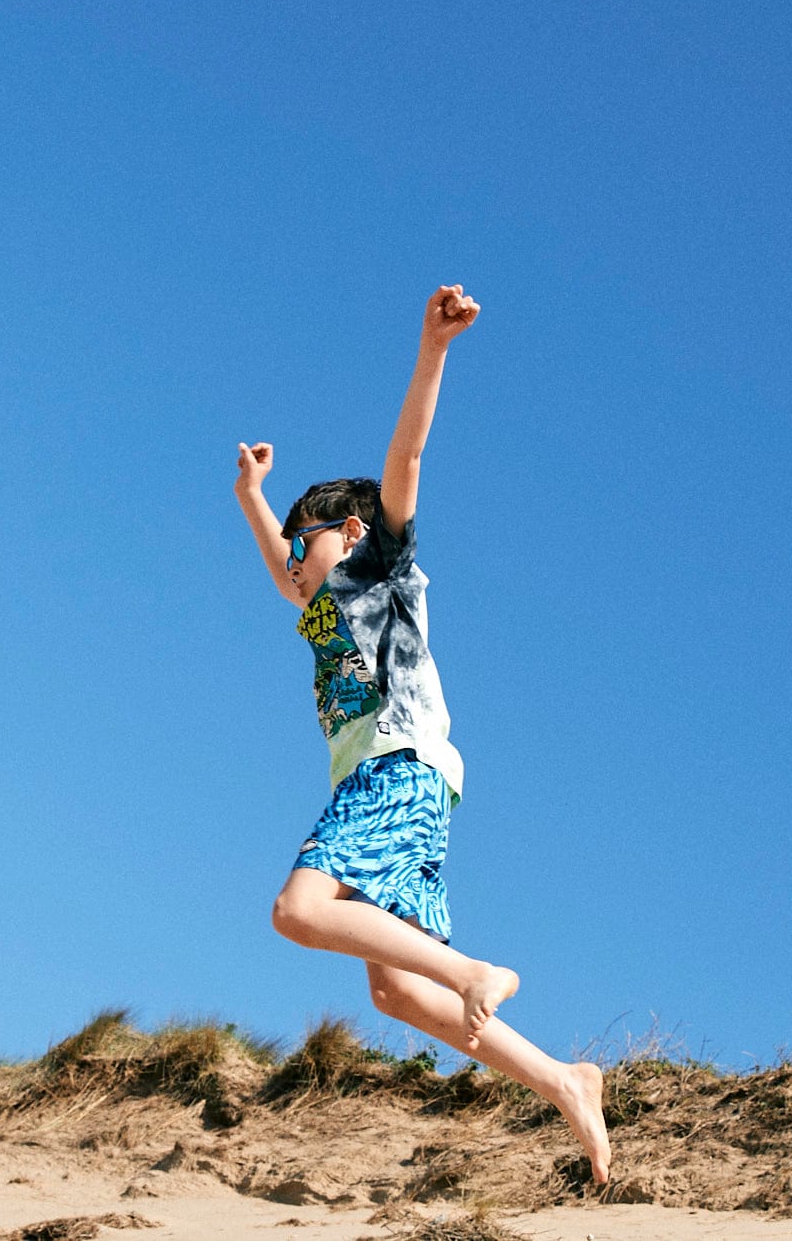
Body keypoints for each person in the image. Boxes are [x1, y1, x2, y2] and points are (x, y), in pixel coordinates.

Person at [233, 284, 611, 1185]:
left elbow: (404, 459)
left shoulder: (380, 565)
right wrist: (256, 497)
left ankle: (483, 968)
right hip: (406, 785)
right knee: (399, 986)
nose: (294, 560)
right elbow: (286, 581)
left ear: (351, 532)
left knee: (300, 911)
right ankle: (566, 1083)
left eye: (304, 539)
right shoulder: (320, 602)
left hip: (395, 766)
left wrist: (433, 348)